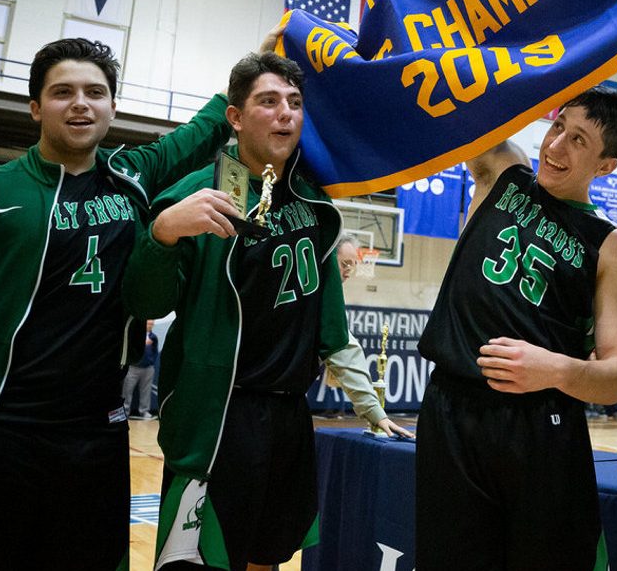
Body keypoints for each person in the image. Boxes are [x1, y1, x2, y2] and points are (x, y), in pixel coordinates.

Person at [123, 51, 406, 571]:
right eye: (268, 102)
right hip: (219, 415)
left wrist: (371, 407)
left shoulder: (313, 204)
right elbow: (146, 301)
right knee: (202, 560)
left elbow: (330, 322)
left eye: (295, 103)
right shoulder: (194, 195)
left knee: (269, 556)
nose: (285, 114)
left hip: (289, 414)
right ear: (234, 117)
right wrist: (162, 234)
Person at [0, 37, 237, 570]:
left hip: (98, 430)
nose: (80, 103)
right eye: (62, 92)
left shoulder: (130, 178)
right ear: (34, 107)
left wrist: (244, 69)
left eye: (95, 92)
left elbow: (195, 135)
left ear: (113, 107)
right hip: (0, 429)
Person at [414, 86, 617, 571]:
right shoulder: (503, 171)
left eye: (579, 140)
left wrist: (555, 369)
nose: (556, 146)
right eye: (558, 126)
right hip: (451, 408)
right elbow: (455, 104)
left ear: (606, 167)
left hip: (540, 424)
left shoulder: (610, 244)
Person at [318, 235, 415, 434]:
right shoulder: (317, 292)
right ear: (327, 257)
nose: (348, 271)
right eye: (345, 264)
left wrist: (375, 412)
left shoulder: (330, 297)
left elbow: (344, 350)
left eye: (352, 266)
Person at [123, 318, 160, 419]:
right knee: (127, 391)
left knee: (146, 392)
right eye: (149, 323)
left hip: (148, 369)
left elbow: (155, 352)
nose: (150, 325)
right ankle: (125, 411)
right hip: (133, 368)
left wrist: (151, 362)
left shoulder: (153, 337)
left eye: (152, 324)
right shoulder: (136, 336)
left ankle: (144, 411)